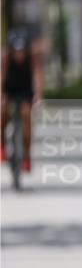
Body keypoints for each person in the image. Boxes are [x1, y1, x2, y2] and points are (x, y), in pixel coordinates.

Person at [1, 28, 44, 172]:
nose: (19, 54)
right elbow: (1, 77)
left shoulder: (32, 58)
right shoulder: (6, 58)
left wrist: (38, 96)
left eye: (22, 50)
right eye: (16, 51)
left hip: (25, 91)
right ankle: (2, 144)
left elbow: (38, 77)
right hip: (10, 89)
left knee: (26, 114)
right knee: (3, 111)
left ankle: (26, 157)